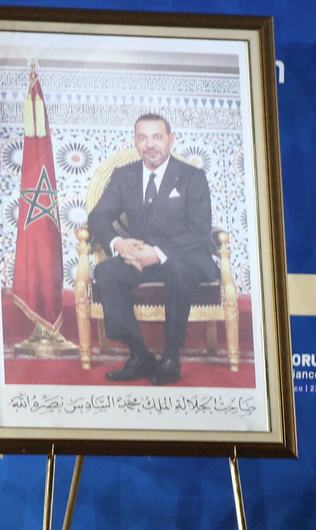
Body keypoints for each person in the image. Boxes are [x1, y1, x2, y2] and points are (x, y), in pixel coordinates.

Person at [87, 113, 217, 385]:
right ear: (135, 142)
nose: (150, 145)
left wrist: (157, 253)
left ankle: (170, 357)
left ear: (171, 139)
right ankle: (139, 355)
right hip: (140, 258)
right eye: (142, 138)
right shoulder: (125, 176)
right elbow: (97, 218)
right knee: (106, 271)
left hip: (186, 258)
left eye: (157, 137)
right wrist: (118, 244)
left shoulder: (193, 177)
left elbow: (199, 231)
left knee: (178, 269)